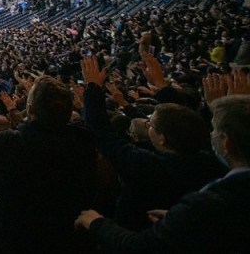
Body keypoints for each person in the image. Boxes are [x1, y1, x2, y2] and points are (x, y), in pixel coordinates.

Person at [75, 94, 250, 252]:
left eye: (150, 125)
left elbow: (140, 246)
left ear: (162, 138)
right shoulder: (211, 165)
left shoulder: (152, 169)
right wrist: (178, 222)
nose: (212, 135)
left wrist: (97, 223)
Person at [0, 75, 97, 254]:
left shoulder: (14, 143)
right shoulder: (84, 139)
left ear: (29, 110)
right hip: (71, 236)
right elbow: (96, 121)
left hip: (22, 239)